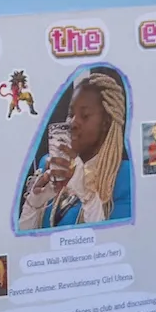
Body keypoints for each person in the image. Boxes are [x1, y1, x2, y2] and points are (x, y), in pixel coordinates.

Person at [18, 67, 132, 229]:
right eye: (71, 114)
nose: (73, 123)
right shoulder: (48, 165)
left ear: (106, 123)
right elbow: (24, 240)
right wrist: (34, 203)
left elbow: (109, 243)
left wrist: (85, 192)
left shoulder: (123, 177)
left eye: (84, 116)